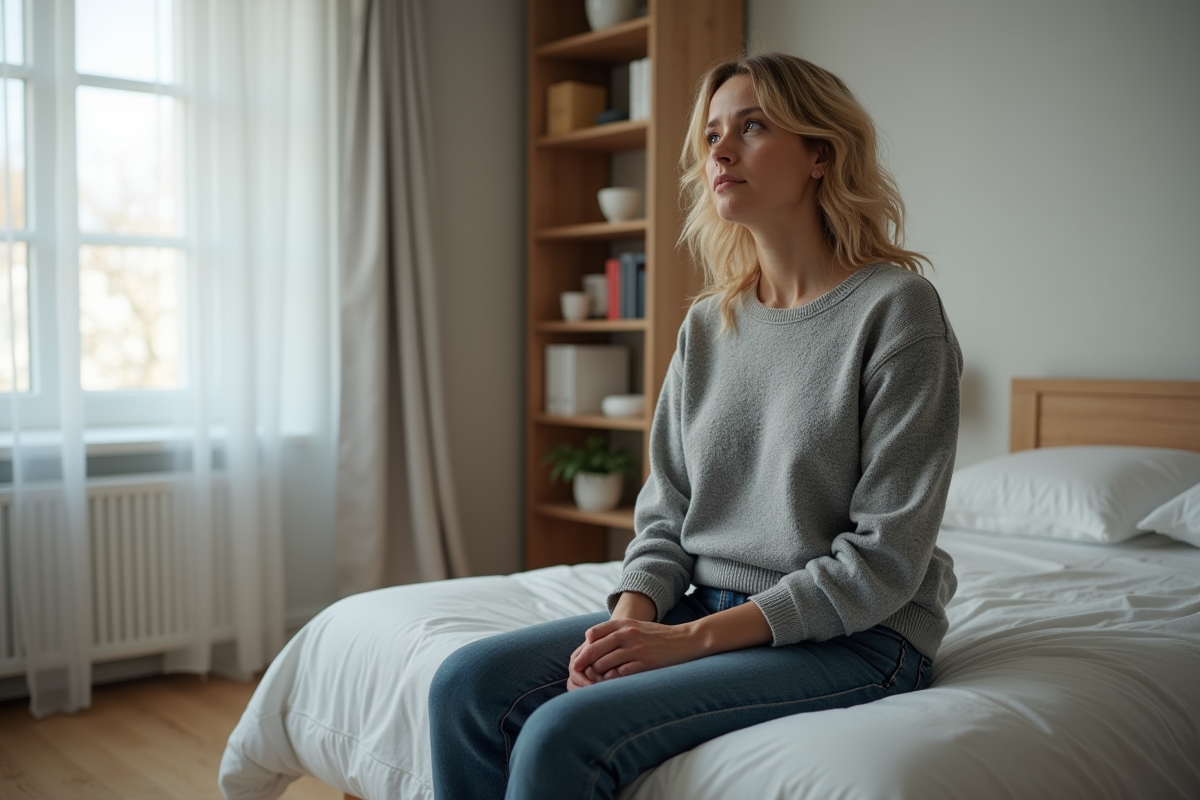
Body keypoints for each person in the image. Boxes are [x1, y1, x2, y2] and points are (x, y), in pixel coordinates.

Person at [429, 52, 961, 800]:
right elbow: (667, 511)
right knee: (466, 686)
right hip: (702, 603)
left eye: (752, 127)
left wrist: (687, 641)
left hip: (857, 636)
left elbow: (885, 560)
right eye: (712, 134)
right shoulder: (711, 324)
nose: (721, 151)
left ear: (820, 153)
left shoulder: (898, 311)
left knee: (561, 732)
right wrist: (630, 622)